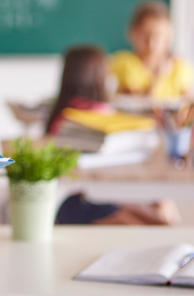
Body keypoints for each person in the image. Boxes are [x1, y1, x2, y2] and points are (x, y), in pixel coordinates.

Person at [47, 45, 179, 225]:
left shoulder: (59, 115)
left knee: (158, 213)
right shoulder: (99, 114)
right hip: (86, 199)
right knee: (161, 216)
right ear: (99, 77)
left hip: (81, 198)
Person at [110, 0, 194, 98]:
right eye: (145, 35)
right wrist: (158, 78)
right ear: (133, 32)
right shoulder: (120, 64)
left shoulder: (180, 68)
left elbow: (188, 103)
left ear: (168, 37)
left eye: (158, 36)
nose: (151, 43)